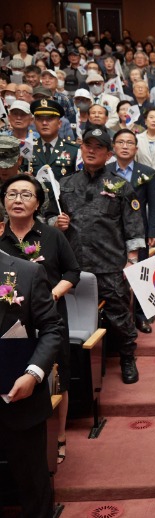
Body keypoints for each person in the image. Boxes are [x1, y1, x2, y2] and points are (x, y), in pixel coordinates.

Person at [1, 175, 80, 466]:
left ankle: (58, 436)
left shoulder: (51, 235)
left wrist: (54, 293)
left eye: (25, 195)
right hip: (10, 323)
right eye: (11, 194)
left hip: (49, 317)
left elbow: (73, 271)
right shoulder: (0, 237)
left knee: (56, 375)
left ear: (37, 203)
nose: (18, 200)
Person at [55, 127, 145, 384]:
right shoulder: (66, 184)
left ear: (108, 153)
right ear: (81, 148)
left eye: (98, 147)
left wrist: (132, 262)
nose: (91, 151)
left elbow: (134, 227)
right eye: (87, 145)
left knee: (118, 314)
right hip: (72, 264)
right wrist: (54, 222)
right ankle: (72, 362)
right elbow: (48, 217)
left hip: (109, 264)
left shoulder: (120, 185)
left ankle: (127, 356)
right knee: (67, 314)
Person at [0, 240, 63, 518]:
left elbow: (52, 328)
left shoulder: (26, 273)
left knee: (33, 487)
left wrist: (34, 373)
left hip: (19, 396)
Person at [108, 129, 155, 333]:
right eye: (120, 142)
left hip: (139, 231)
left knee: (141, 273)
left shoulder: (147, 173)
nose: (124, 146)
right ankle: (118, 317)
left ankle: (142, 316)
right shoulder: (106, 172)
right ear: (113, 147)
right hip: (111, 231)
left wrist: (154, 232)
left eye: (129, 142)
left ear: (136, 148)